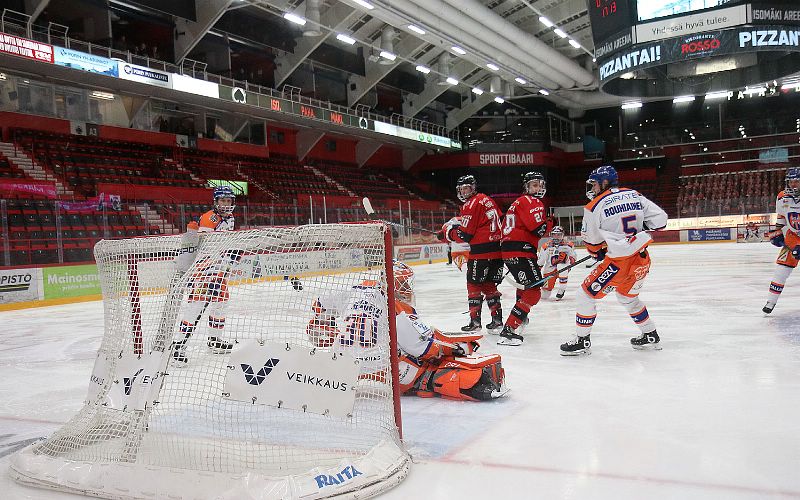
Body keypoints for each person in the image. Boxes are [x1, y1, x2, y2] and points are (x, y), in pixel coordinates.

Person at [306, 261, 507, 401]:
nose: (407, 289)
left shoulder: (356, 289)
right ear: (392, 284)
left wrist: (322, 325)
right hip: (380, 366)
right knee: (423, 370)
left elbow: (319, 304)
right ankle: (439, 383)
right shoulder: (397, 308)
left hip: (341, 363)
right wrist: (454, 349)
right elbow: (422, 348)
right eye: (403, 284)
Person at [561, 165, 668, 356]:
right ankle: (650, 334)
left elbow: (592, 243)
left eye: (594, 184)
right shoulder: (633, 194)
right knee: (628, 297)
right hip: (642, 259)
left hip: (618, 263)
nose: (592, 189)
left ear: (604, 183)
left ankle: (582, 340)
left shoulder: (594, 205)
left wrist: (598, 252)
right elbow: (660, 220)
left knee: (584, 296)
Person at [171, 186, 238, 365]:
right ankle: (178, 346)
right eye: (223, 200)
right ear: (216, 202)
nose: (226, 204)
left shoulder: (230, 218)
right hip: (203, 269)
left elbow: (226, 244)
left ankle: (215, 341)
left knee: (221, 303)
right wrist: (212, 273)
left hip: (219, 268)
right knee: (196, 307)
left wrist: (226, 264)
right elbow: (205, 248)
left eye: (229, 200)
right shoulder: (210, 219)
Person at [438, 175, 504, 332]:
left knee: (473, 284)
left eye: (466, 188)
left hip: (481, 252)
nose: (464, 192)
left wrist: (447, 233)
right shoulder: (487, 199)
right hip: (497, 251)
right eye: (461, 189)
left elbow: (465, 235)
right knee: (489, 285)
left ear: (473, 187)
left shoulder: (471, 204)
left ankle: (475, 322)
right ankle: (497, 320)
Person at [496, 171, 550, 346]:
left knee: (525, 286)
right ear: (526, 187)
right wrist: (551, 222)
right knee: (533, 292)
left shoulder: (517, 203)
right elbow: (539, 229)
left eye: (540, 184)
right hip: (521, 249)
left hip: (511, 250)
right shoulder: (531, 201)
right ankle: (508, 330)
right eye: (534, 185)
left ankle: (520, 318)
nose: (538, 188)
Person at [763, 168, 800, 314]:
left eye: (797, 181)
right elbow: (782, 217)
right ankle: (770, 302)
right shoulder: (782, 197)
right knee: (781, 271)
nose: (793, 184)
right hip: (792, 237)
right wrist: (777, 232)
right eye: (791, 181)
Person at [537, 226, 577, 301]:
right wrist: (537, 271)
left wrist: (571, 259)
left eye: (558, 234)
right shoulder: (546, 246)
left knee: (562, 265)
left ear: (562, 235)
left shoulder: (568, 245)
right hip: (549, 270)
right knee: (544, 295)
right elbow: (541, 261)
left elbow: (573, 257)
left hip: (563, 269)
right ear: (551, 235)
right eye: (554, 234)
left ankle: (562, 289)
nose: (556, 237)